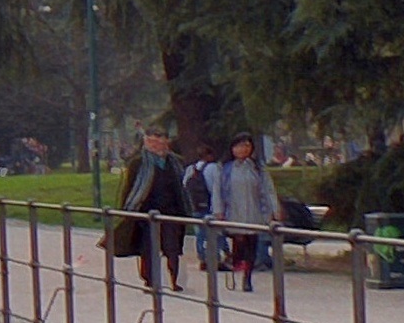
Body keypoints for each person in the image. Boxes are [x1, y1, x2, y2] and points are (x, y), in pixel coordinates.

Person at [110, 125, 193, 301]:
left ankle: (174, 279)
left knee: (173, 247)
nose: (156, 145)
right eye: (151, 142)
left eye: (159, 141)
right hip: (146, 213)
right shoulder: (138, 163)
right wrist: (128, 210)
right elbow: (130, 188)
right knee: (148, 248)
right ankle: (150, 281)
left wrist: (185, 210)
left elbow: (182, 187)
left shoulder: (175, 162)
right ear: (146, 142)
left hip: (172, 212)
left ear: (166, 143)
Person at [207, 133, 280, 291]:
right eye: (240, 146)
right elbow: (217, 191)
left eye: (247, 146)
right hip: (233, 212)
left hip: (254, 212)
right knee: (239, 243)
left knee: (252, 245)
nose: (243, 149)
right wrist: (218, 210)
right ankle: (235, 263)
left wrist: (274, 210)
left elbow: (268, 190)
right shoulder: (224, 168)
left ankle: (247, 278)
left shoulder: (257, 168)